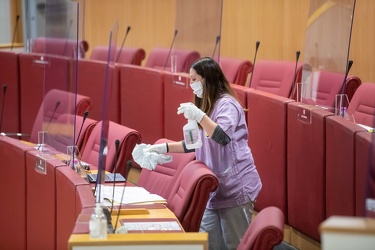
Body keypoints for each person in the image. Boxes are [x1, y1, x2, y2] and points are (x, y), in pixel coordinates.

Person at [145, 57, 262, 250]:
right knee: (208, 244)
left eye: (194, 79)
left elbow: (222, 137)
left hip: (235, 187)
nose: (191, 84)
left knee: (235, 245)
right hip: (214, 191)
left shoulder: (227, 105)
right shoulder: (204, 105)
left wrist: (199, 116)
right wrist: (163, 148)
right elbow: (195, 144)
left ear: (207, 79)